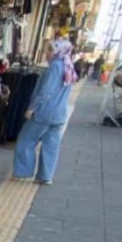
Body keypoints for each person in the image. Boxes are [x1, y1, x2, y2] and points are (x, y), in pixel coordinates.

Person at [13, 39, 77, 185]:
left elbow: (45, 91)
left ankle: (23, 172)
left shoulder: (55, 67)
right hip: (59, 114)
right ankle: (45, 176)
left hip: (44, 112)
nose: (46, 54)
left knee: (25, 141)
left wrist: (31, 108)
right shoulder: (68, 66)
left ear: (57, 52)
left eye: (49, 50)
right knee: (51, 146)